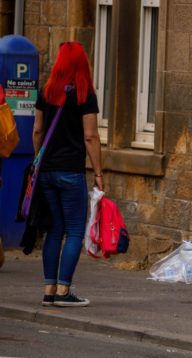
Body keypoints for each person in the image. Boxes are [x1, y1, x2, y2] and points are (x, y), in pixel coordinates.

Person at [32, 41, 103, 307]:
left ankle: (49, 289)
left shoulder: (46, 91)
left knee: (54, 230)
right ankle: (64, 291)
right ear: (82, 64)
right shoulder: (85, 95)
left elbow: (37, 130)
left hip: (46, 171)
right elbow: (91, 136)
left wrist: (38, 159)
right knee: (74, 231)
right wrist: (98, 173)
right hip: (71, 172)